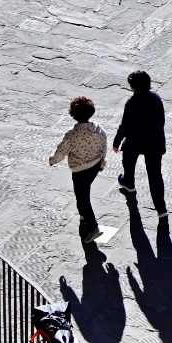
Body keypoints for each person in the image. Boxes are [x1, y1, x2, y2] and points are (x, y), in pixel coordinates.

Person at [50, 96, 107, 242]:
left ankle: (93, 227)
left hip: (80, 170)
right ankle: (82, 215)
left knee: (82, 198)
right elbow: (103, 147)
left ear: (73, 114)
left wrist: (52, 160)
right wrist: (102, 163)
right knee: (84, 191)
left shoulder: (72, 134)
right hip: (94, 166)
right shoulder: (99, 129)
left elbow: (62, 151)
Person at [113, 70, 167, 212]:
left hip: (135, 141)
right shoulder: (156, 98)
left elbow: (124, 126)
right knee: (155, 175)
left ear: (134, 87)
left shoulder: (131, 102)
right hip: (154, 142)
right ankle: (161, 208)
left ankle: (128, 182)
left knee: (128, 161)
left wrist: (116, 142)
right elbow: (161, 121)